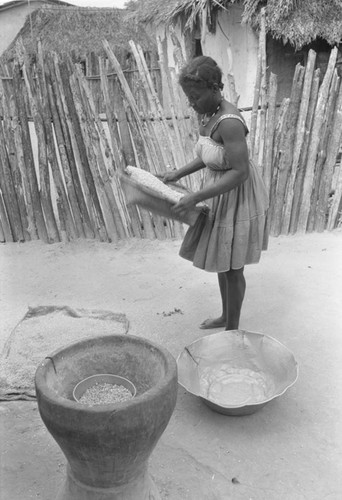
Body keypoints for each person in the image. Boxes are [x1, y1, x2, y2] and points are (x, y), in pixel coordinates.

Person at [163, 56, 269, 331]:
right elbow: (211, 155)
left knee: (233, 267)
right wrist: (179, 173)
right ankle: (225, 316)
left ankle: (232, 330)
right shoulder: (208, 114)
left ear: (214, 88)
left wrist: (196, 197)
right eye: (188, 98)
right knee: (224, 259)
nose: (192, 103)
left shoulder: (230, 122)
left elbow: (240, 171)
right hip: (219, 193)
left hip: (237, 195)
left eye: (195, 97)